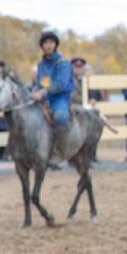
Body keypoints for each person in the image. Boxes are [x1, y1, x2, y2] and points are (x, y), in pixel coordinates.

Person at [32, 30, 74, 159]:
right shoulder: (41, 64)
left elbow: (61, 84)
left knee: (60, 118)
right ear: (42, 46)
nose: (48, 45)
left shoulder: (63, 63)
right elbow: (40, 83)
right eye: (45, 42)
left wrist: (43, 91)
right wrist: (33, 93)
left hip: (60, 98)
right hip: (44, 98)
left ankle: (61, 151)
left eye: (51, 42)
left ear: (56, 44)